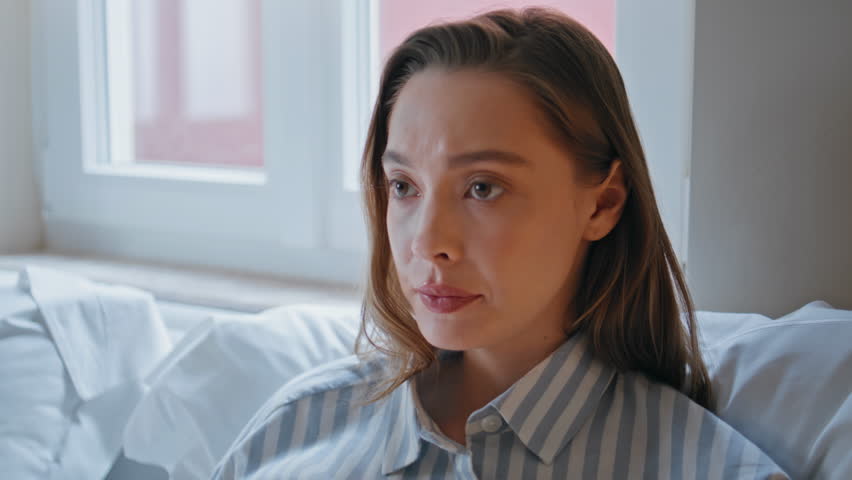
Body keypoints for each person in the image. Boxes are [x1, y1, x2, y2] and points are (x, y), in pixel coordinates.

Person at [212, 8, 788, 479]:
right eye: (405, 187)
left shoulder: (708, 466)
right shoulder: (293, 429)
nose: (428, 243)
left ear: (603, 203)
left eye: (483, 188)